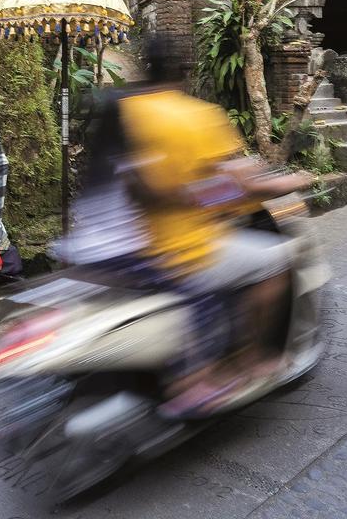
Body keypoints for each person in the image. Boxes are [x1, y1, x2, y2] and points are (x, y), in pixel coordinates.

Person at [76, 36, 308, 416]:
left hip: (89, 249)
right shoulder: (196, 116)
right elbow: (232, 182)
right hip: (161, 248)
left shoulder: (121, 110)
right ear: (184, 74)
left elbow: (143, 184)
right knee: (273, 261)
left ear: (141, 69)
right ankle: (239, 363)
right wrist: (285, 182)